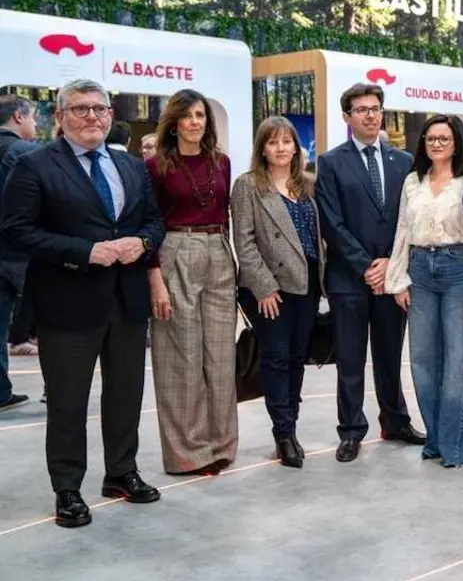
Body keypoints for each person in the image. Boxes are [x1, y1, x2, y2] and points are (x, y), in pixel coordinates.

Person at [0, 78, 165, 528]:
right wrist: (83, 251)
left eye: (100, 108)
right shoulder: (34, 166)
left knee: (126, 394)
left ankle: (121, 472)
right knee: (69, 402)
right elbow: (15, 231)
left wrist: (143, 243)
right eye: (81, 108)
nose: (92, 116)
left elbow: (154, 220)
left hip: (126, 300)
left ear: (111, 115)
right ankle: (68, 489)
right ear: (61, 116)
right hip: (67, 301)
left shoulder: (130, 166)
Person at [316, 83, 425, 463]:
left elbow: (408, 220)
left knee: (390, 354)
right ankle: (350, 430)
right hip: (350, 279)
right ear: (347, 116)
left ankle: (394, 420)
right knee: (349, 358)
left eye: (375, 108)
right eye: (361, 109)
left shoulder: (403, 161)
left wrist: (389, 265)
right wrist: (366, 265)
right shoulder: (331, 163)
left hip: (392, 276)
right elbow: (331, 222)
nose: (370, 115)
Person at [146, 89, 238, 476]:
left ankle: (221, 444)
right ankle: (188, 451)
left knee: (220, 356)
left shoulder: (221, 162)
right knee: (180, 358)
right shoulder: (155, 166)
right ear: (174, 122)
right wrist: (155, 279)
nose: (195, 122)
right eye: (187, 116)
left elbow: (226, 213)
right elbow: (148, 221)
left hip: (218, 248)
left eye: (201, 115)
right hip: (175, 249)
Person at [387, 115, 463, 468]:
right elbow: (402, 229)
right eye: (431, 138)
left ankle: (457, 445)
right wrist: (397, 280)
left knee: (460, 361)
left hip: (459, 271)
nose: (437, 144)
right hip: (420, 273)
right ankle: (436, 439)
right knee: (423, 362)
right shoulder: (413, 181)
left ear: (457, 142)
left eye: (444, 138)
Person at [230, 117, 323, 469]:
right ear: (262, 148)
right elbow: (245, 241)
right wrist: (264, 287)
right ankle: (283, 433)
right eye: (273, 142)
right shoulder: (248, 185)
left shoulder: (308, 184)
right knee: (276, 358)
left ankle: (292, 426)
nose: (281, 148)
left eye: (287, 141)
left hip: (308, 284)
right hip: (269, 289)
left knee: (298, 357)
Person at [0, 94, 38, 411]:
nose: (36, 124)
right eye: (34, 117)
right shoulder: (22, 153)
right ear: (18, 117)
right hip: (10, 256)